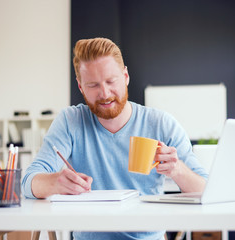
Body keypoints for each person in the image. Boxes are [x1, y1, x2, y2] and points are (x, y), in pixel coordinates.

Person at [22, 37, 208, 240]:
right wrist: (55, 182)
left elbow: (206, 191)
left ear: (126, 76)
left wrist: (177, 170)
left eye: (111, 81)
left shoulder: (161, 123)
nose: (105, 93)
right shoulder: (70, 121)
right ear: (80, 86)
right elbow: (28, 182)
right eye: (93, 85)